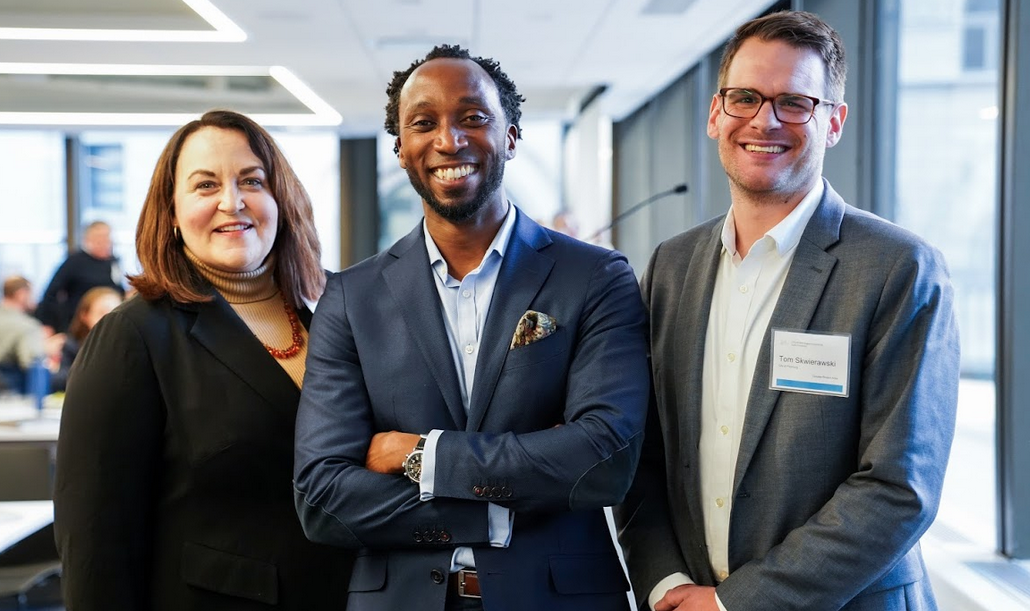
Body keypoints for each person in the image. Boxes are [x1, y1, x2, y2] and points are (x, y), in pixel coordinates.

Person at [615, 10, 959, 611]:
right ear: (715, 112)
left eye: (794, 103)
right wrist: (667, 584)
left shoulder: (898, 268)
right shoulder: (671, 266)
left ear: (834, 123)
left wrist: (734, 604)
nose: (763, 121)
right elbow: (643, 455)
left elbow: (898, 488)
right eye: (744, 97)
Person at [294, 44, 650, 611]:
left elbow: (604, 459)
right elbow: (323, 495)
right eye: (423, 123)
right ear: (401, 149)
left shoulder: (596, 277)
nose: (449, 140)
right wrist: (495, 507)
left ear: (510, 135)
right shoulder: (350, 299)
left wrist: (421, 457)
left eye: (473, 117)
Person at [53, 109, 353, 610]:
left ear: (280, 197)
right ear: (171, 211)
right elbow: (94, 544)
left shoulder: (335, 317)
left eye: (251, 181)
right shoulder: (133, 337)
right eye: (204, 185)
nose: (231, 202)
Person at [35, 220, 124, 333]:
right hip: (79, 325)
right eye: (99, 238)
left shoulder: (113, 262)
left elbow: (119, 289)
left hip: (110, 323)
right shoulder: (74, 262)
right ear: (87, 240)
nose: (105, 242)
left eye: (107, 238)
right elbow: (51, 293)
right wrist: (48, 324)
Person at [48, 286, 122, 393]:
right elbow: (58, 380)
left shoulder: (128, 345)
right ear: (85, 315)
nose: (109, 321)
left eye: (115, 314)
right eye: (102, 313)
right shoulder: (72, 344)